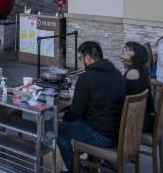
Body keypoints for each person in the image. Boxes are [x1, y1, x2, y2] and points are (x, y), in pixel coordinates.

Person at [57, 41, 126, 171]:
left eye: (80, 58)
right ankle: (90, 162)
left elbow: (76, 111)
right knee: (75, 122)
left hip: (102, 135)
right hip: (118, 133)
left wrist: (63, 118)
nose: (81, 61)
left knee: (59, 129)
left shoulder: (86, 77)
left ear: (87, 58)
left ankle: (75, 169)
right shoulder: (117, 73)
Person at [120, 41, 155, 133]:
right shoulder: (141, 69)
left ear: (137, 55)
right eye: (125, 47)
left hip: (138, 122)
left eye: (129, 49)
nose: (124, 50)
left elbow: (126, 99)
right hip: (145, 118)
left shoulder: (133, 73)